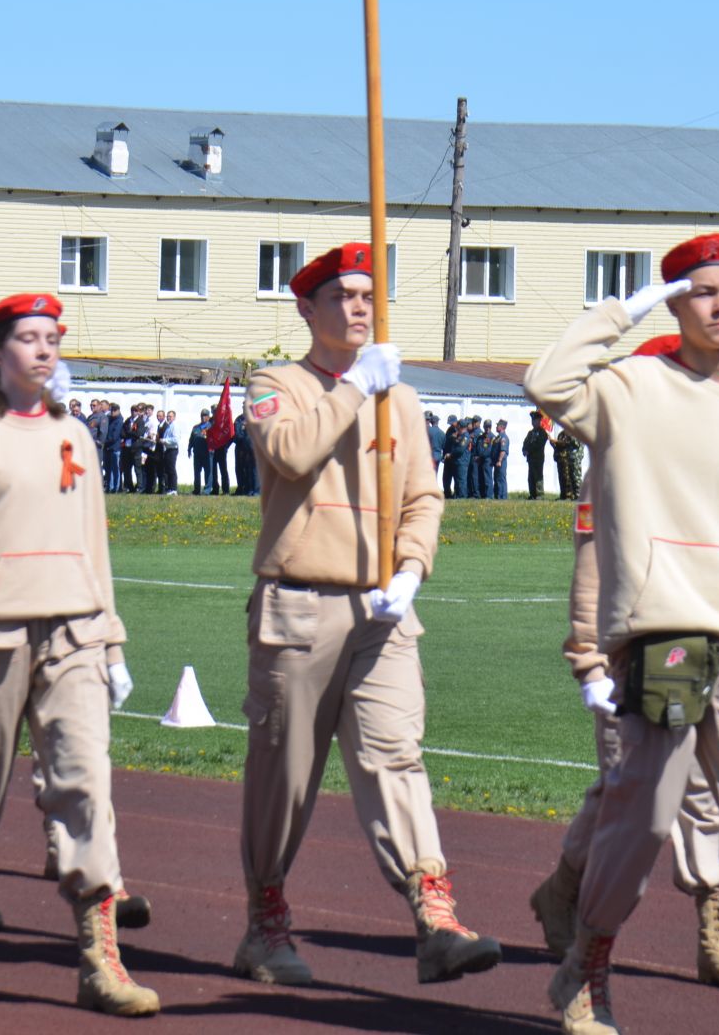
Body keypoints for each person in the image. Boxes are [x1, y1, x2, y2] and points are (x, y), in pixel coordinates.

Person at [525, 233, 719, 1035]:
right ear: (677, 301)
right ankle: (587, 966)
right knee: (646, 816)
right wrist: (626, 308)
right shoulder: (628, 388)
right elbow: (546, 381)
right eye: (704, 291)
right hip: (669, 644)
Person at [236, 241, 499, 988]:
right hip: (299, 605)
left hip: (383, 611)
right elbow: (289, 452)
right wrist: (353, 389)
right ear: (307, 309)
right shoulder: (275, 384)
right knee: (284, 775)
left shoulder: (402, 400)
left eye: (368, 296)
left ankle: (434, 913)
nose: (358, 308)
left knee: (395, 756)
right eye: (343, 296)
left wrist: (413, 568)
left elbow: (423, 496)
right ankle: (266, 923)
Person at [0, 293, 157, 1016]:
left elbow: (95, 542)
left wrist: (111, 640)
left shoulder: (75, 431)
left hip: (74, 631)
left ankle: (99, 957)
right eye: (27, 338)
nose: (43, 351)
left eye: (52, 338)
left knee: (86, 786)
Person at [529, 336, 719, 995]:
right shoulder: (615, 466)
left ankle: (711, 930)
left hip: (702, 649)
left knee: (705, 792)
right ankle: (566, 894)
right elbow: (592, 571)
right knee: (629, 795)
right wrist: (589, 663)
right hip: (633, 656)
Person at [524, 411, 551, 500]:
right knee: (530, 476)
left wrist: (529, 450)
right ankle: (532, 493)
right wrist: (524, 450)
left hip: (538, 458)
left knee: (538, 476)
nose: (533, 422)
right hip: (530, 458)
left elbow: (539, 444)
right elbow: (526, 443)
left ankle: (539, 494)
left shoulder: (542, 433)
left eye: (535, 420)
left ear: (539, 421)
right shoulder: (530, 433)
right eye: (532, 420)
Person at [554, 425, 583, 501]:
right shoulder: (562, 434)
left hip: (576, 457)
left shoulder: (577, 433)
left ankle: (578, 496)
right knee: (569, 477)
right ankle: (571, 496)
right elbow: (562, 445)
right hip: (568, 458)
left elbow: (576, 443)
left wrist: (570, 435)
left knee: (576, 477)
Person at [232, 409, 257, 496]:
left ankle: (250, 488)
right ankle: (241, 488)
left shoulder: (254, 418)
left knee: (250, 469)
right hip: (240, 447)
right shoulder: (239, 419)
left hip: (250, 447)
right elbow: (236, 432)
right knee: (239, 469)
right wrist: (242, 439)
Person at [191, 408, 213, 494]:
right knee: (197, 472)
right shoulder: (196, 427)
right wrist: (189, 448)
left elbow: (214, 439)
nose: (203, 417)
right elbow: (192, 439)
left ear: (208, 417)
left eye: (205, 415)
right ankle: (196, 489)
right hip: (197, 453)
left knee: (208, 472)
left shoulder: (211, 427)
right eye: (202, 415)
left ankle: (207, 490)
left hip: (207, 453)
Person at [442, 415, 463, 497]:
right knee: (446, 477)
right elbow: (446, 443)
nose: (451, 425)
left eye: (452, 423)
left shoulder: (460, 430)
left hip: (455, 457)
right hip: (448, 457)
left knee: (457, 477)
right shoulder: (450, 430)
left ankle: (456, 493)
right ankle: (447, 493)